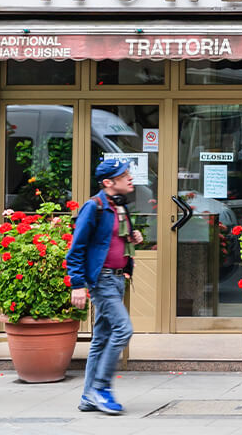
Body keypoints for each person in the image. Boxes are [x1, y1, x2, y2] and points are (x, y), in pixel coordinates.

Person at [67, 158, 143, 415]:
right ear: (109, 182)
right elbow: (76, 249)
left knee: (101, 339)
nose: (130, 178)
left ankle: (89, 397)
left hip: (119, 278)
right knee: (123, 330)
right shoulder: (94, 206)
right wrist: (77, 284)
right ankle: (101, 388)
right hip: (103, 280)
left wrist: (134, 238)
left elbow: (114, 240)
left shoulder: (118, 205)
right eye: (124, 175)